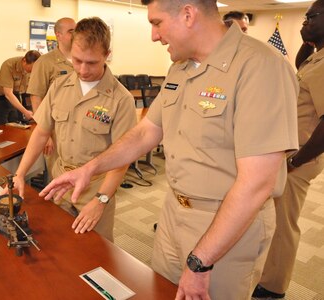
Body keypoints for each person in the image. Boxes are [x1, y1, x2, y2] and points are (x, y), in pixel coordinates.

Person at [39, 1, 299, 299]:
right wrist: (90, 169)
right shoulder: (180, 68)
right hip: (173, 214)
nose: (154, 35)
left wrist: (201, 261)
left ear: (188, 15)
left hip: (225, 228)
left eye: (157, 23)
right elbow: (145, 133)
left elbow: (257, 183)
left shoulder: (260, 67)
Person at [10, 17, 137, 242]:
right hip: (60, 185)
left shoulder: (121, 99)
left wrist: (101, 201)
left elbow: (122, 159)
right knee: (57, 247)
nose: (83, 70)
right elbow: (41, 132)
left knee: (95, 254)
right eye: (77, 61)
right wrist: (20, 174)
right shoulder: (60, 86)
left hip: (96, 189)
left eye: (91, 63)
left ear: (107, 55)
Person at [253, 1, 324, 298]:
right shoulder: (316, 58)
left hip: (299, 157)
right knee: (276, 218)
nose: (304, 21)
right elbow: (299, 67)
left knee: (284, 224)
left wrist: (295, 160)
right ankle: (269, 273)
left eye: (311, 17)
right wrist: (309, 40)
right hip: (291, 154)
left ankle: (273, 287)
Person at [26, 17, 76, 184]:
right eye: (70, 31)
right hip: (55, 130)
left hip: (79, 128)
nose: (75, 34)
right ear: (58, 35)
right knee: (56, 179)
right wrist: (44, 133)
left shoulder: (80, 59)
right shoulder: (45, 62)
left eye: (76, 29)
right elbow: (36, 97)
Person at [0, 50, 41, 125]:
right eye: (30, 70)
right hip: (0, 97)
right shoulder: (9, 65)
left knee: (16, 123)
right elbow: (8, 93)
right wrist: (25, 112)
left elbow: (33, 91)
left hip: (16, 94)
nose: (31, 72)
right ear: (24, 61)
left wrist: (34, 111)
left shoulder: (36, 67)